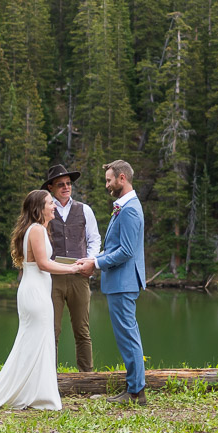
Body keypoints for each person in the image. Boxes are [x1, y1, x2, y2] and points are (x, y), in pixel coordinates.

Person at [0, 190, 80, 413]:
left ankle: (33, 393)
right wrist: (73, 269)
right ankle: (38, 395)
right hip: (35, 293)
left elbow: (44, 263)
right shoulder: (37, 230)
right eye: (50, 203)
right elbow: (43, 264)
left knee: (37, 340)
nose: (54, 206)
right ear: (39, 208)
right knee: (37, 340)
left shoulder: (37, 229)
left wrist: (71, 265)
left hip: (35, 289)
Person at [76, 160, 147, 405]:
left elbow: (126, 251)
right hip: (120, 282)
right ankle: (134, 389)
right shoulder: (125, 206)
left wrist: (95, 264)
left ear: (122, 178)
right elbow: (115, 247)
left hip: (123, 282)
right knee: (126, 336)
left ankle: (136, 392)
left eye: (109, 180)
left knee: (128, 336)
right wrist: (93, 259)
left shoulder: (129, 210)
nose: (107, 185)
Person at [41, 163, 100, 373]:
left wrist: (89, 261)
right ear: (51, 187)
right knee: (52, 330)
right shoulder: (46, 211)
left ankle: (87, 375)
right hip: (52, 277)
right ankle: (50, 377)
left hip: (79, 276)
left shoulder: (84, 210)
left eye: (68, 183)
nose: (66, 187)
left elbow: (94, 239)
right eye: (61, 184)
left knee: (82, 330)